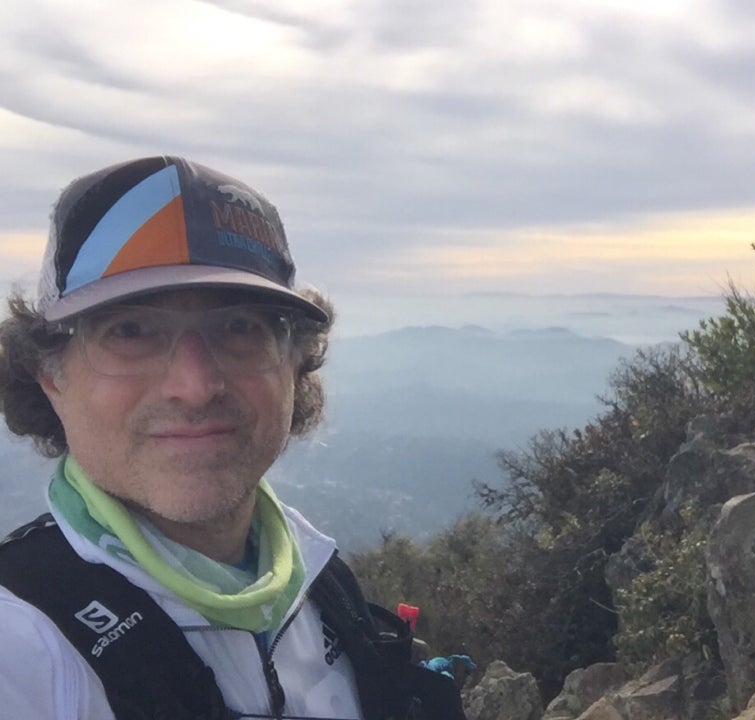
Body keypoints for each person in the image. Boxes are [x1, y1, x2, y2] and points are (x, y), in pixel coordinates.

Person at [0, 156, 467, 720]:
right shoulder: (23, 645)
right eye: (130, 330)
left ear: (295, 364)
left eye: (241, 326)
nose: (195, 386)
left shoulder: (319, 586)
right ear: (50, 375)